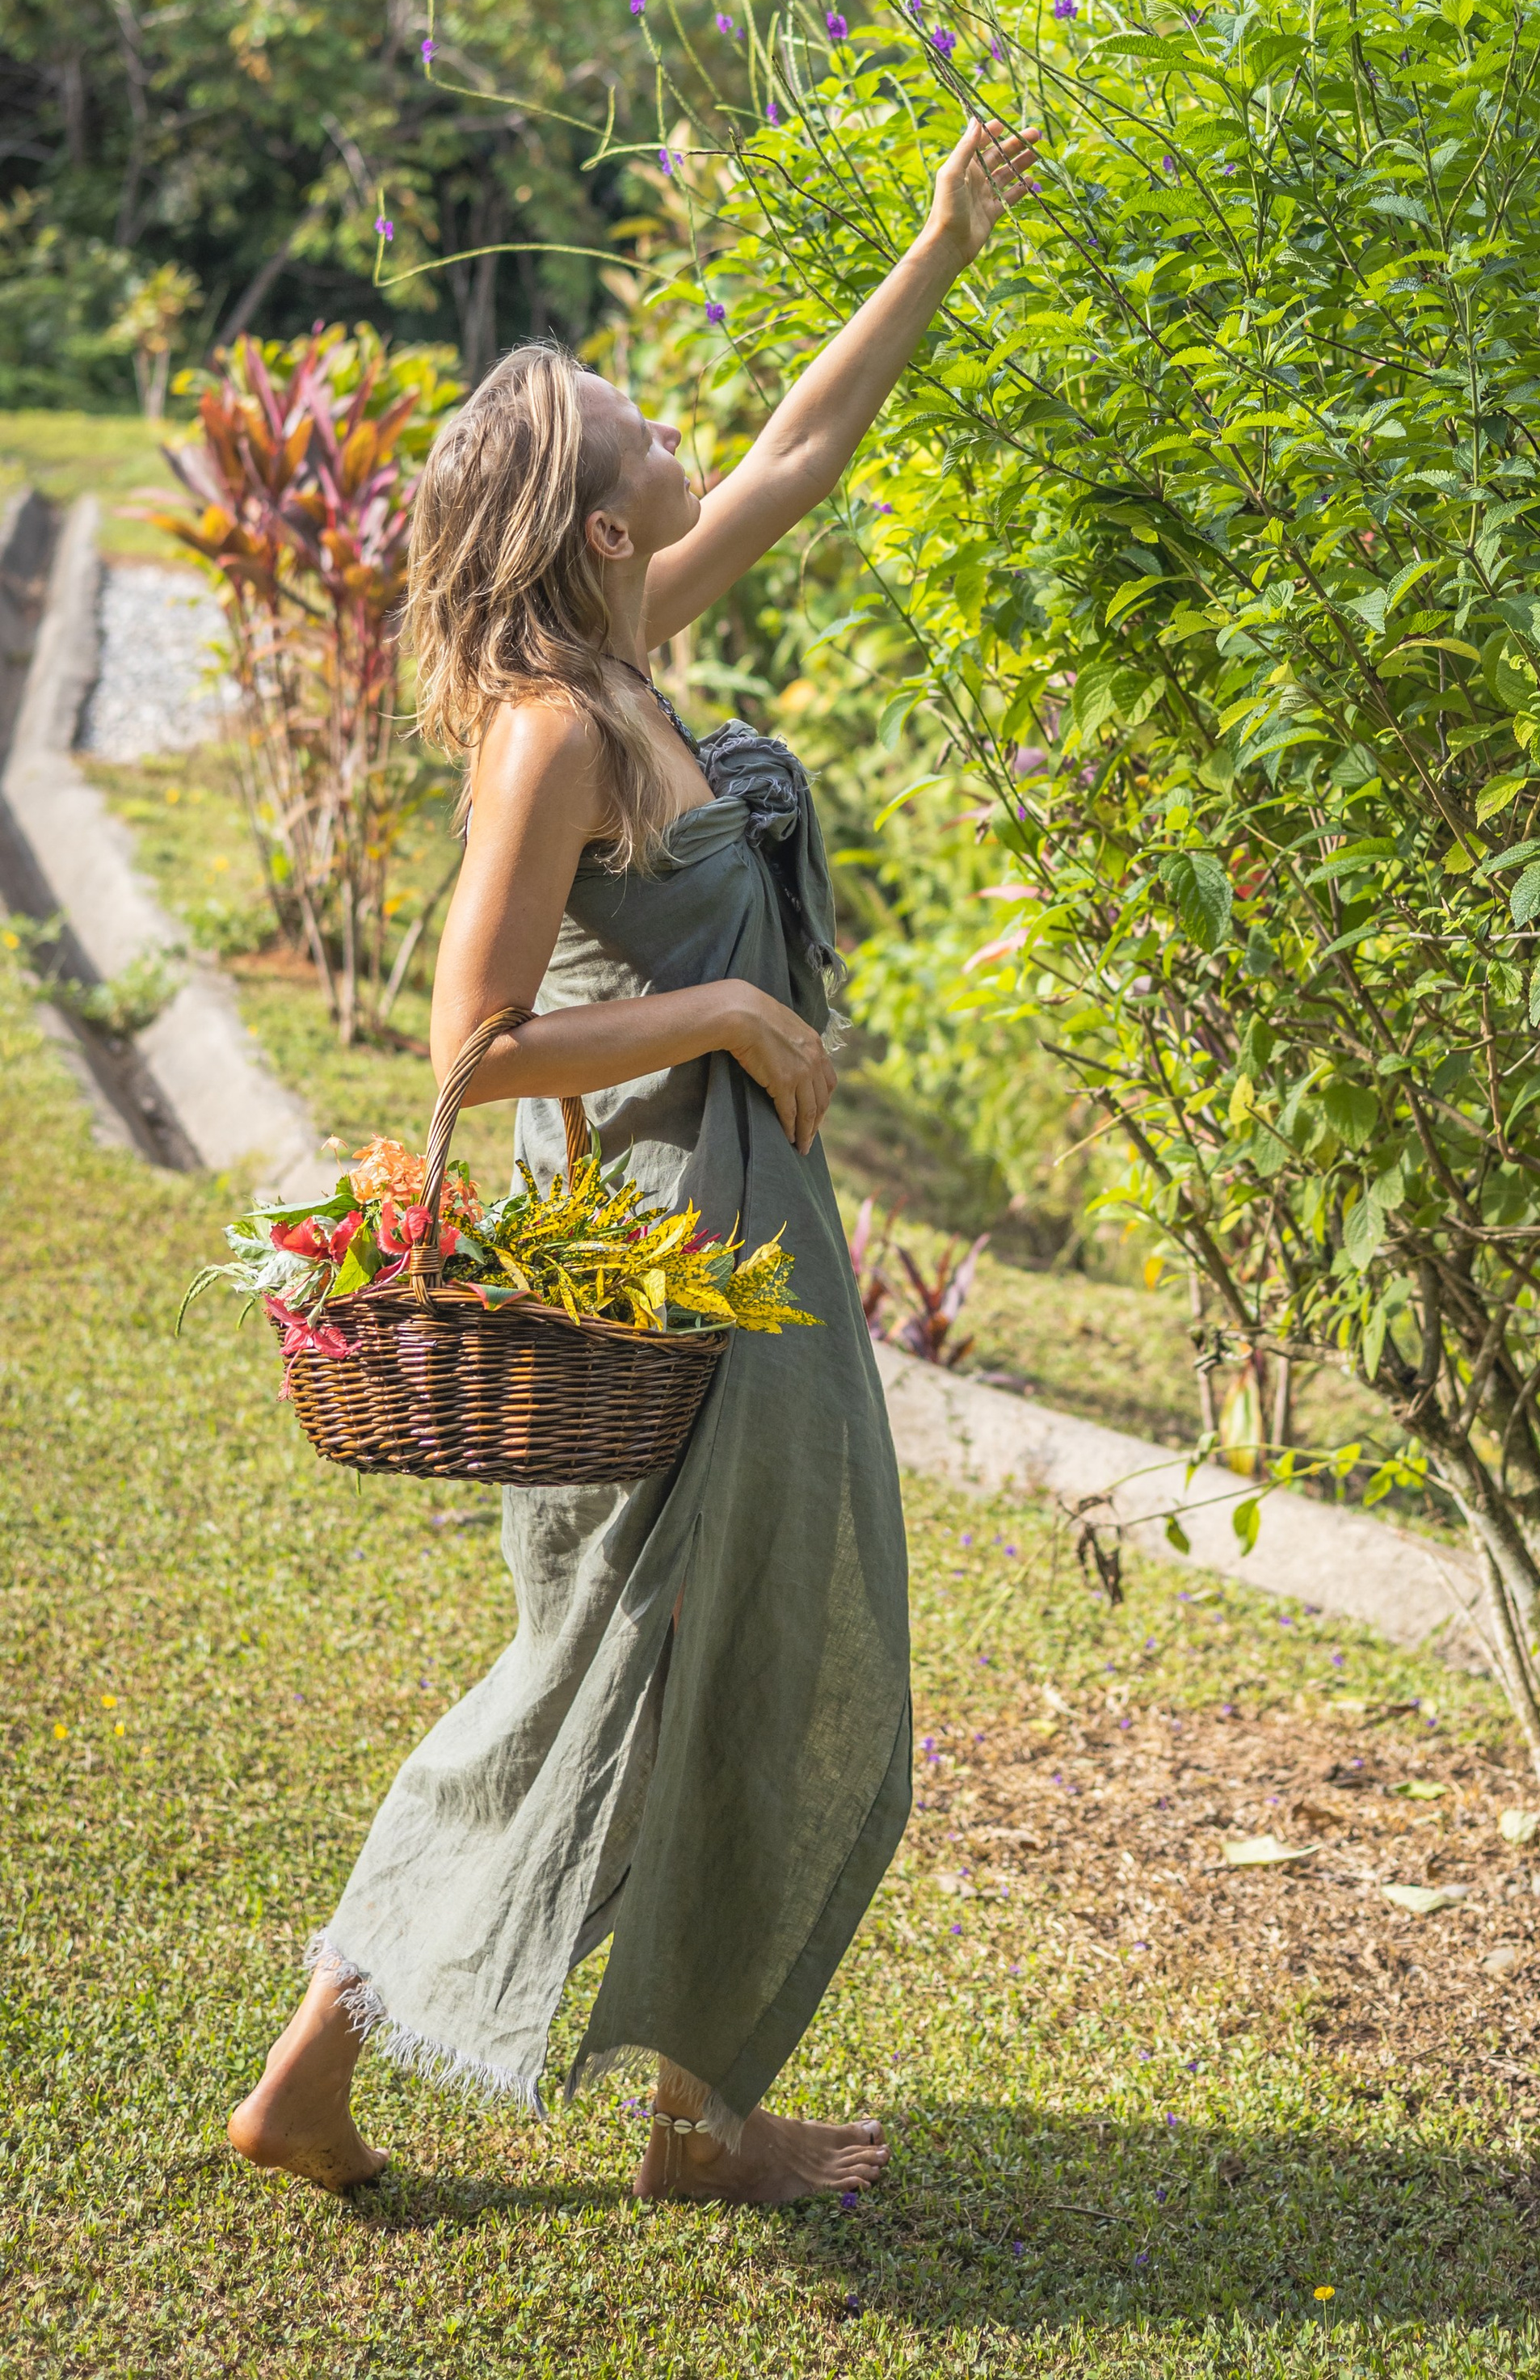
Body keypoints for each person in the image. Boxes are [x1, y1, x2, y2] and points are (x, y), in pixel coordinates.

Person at [227, 113, 1036, 2205]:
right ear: (595, 523)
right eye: (637, 428)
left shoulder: (621, 651)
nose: (679, 435)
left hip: (737, 1248)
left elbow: (801, 449)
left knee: (714, 1668)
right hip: (663, 1269)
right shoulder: (551, 728)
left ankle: (691, 2114)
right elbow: (468, 1043)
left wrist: (940, 245)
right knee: (598, 1677)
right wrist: (731, 1011)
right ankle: (338, 2050)